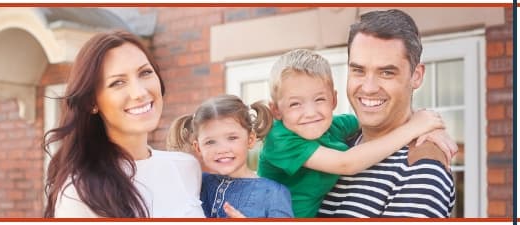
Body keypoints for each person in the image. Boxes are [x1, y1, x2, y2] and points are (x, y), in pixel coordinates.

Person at [255, 49, 456, 218]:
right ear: (276, 111)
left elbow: (379, 116)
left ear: (333, 100)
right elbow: (346, 163)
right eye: (295, 104)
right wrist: (413, 128)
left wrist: (427, 122)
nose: (311, 113)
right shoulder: (279, 139)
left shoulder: (332, 126)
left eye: (319, 100)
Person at [43, 30, 204, 218]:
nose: (140, 93)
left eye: (145, 72)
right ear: (92, 102)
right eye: (118, 82)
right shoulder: (79, 194)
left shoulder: (186, 168)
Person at [316, 9, 457, 218]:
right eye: (358, 70)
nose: (369, 87)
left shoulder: (422, 167)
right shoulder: (334, 142)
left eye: (386, 73)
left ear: (416, 76)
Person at [168, 94, 294, 218]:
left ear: (250, 140)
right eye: (210, 142)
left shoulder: (274, 193)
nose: (222, 149)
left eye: (232, 138)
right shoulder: (195, 184)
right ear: (198, 148)